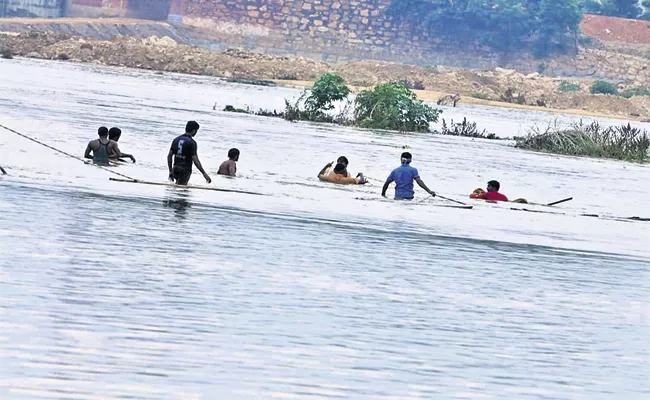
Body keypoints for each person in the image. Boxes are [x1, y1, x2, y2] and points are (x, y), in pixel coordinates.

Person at [167, 121, 211, 185]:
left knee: (176, 187)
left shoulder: (176, 139)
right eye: (196, 131)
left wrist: (170, 171)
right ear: (194, 130)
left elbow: (169, 156)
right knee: (182, 191)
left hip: (175, 168)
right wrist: (204, 173)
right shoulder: (192, 142)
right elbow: (195, 160)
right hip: (185, 170)